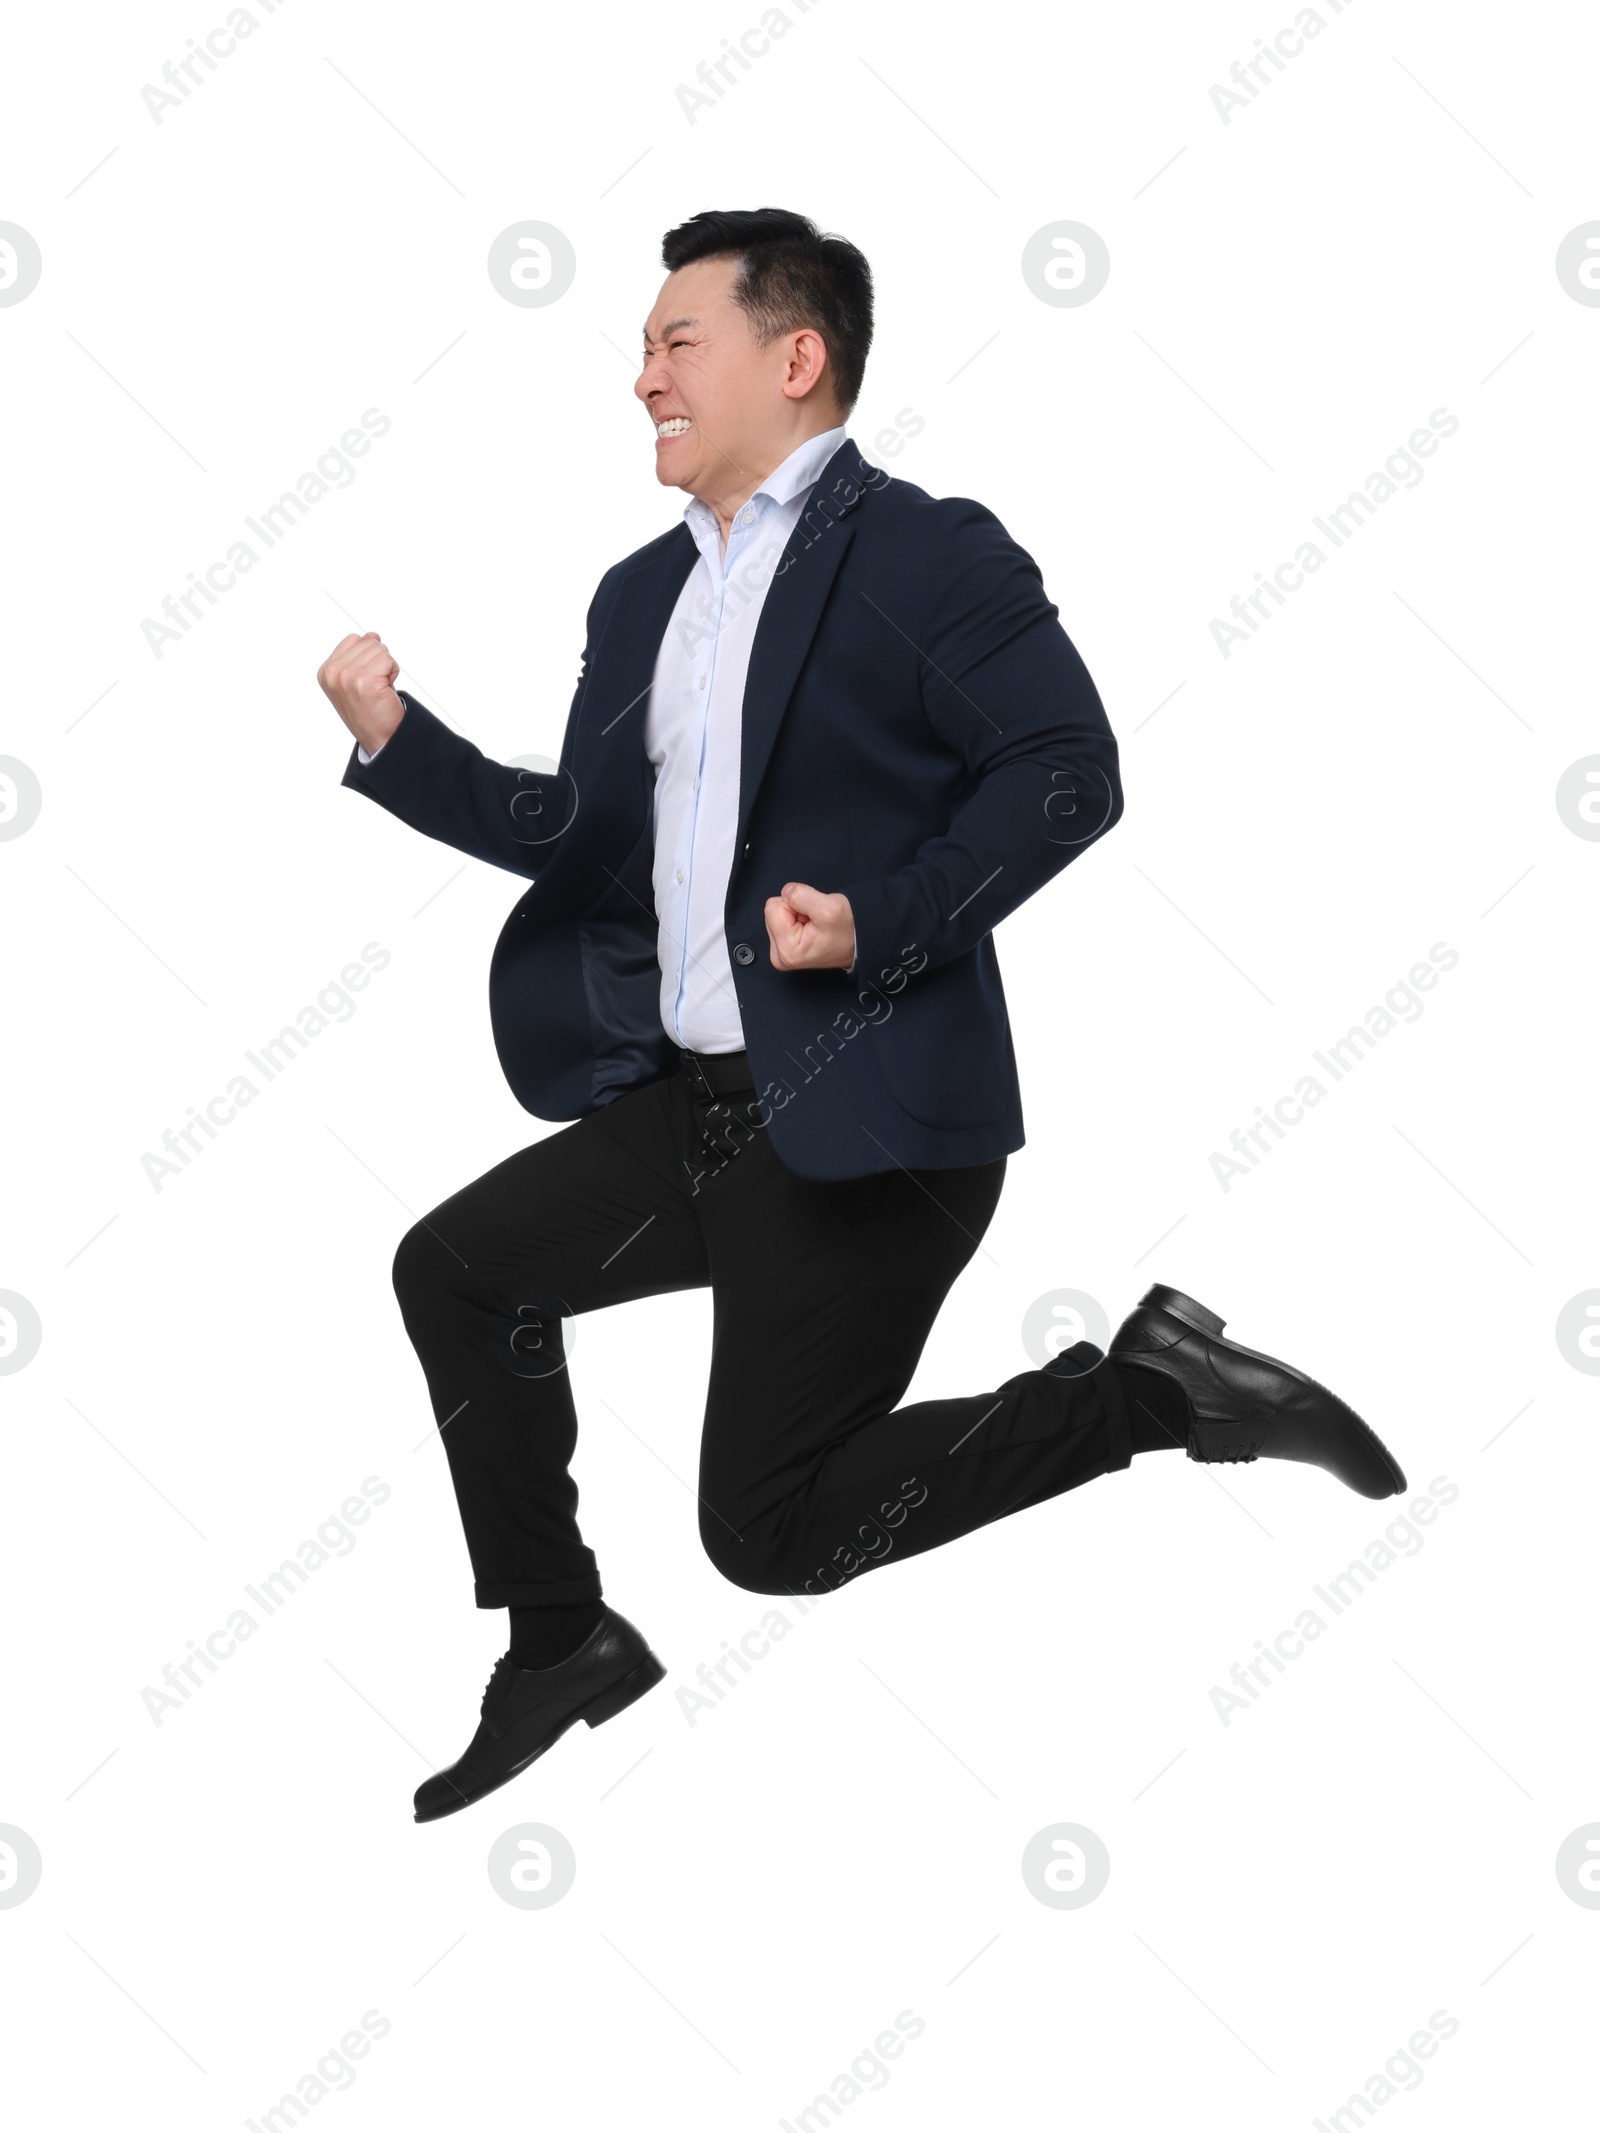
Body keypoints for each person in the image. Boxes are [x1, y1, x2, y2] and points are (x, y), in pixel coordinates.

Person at [318, 208, 1405, 1824]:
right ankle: (558, 1635)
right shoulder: (641, 599)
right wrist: (402, 742)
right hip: (695, 1108)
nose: (642, 379)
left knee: (772, 1534)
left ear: (796, 356)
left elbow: (1063, 767)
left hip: (865, 1119)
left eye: (676, 342)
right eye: (643, 349)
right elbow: (590, 840)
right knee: (457, 1272)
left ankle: (1157, 1394)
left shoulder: (923, 551)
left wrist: (878, 920)